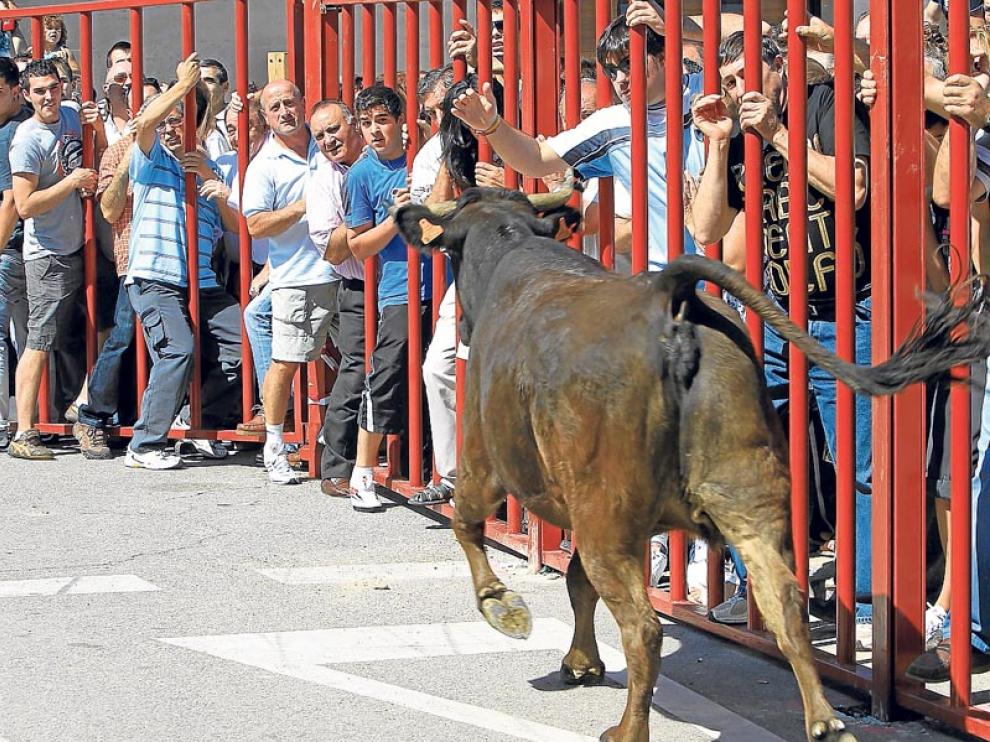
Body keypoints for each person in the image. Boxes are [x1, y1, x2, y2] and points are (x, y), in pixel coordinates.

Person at [689, 31, 874, 635]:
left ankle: (866, 609)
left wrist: (776, 133)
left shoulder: (822, 104)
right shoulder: (741, 134)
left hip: (850, 314)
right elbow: (707, 229)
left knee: (860, 468)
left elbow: (856, 188)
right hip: (775, 319)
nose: (739, 86)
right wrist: (720, 147)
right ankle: (766, 588)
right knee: (755, 459)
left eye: (747, 71)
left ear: (779, 67)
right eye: (729, 76)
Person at [450, 2, 705, 271]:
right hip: (664, 280)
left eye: (628, 64)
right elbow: (536, 160)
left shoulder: (707, 87)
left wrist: (675, 26)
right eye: (611, 71)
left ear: (664, 56)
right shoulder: (612, 123)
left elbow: (751, 33)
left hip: (728, 276)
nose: (620, 79)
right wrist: (492, 125)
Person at [123, 53, 242, 470]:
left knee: (244, 341)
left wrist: (211, 178)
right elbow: (146, 124)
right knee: (178, 349)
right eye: (170, 118)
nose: (174, 126)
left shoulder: (207, 167)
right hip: (157, 277)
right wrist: (181, 86)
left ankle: (199, 424)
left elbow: (236, 228)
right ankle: (144, 444)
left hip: (202, 281)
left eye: (183, 119)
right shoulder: (151, 157)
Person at [337, 84, 432, 511]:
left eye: (382, 121)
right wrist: (396, 218)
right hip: (397, 291)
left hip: (445, 285)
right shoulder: (361, 174)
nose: (374, 131)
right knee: (387, 376)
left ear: (400, 122)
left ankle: (435, 473)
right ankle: (362, 472)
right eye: (366, 123)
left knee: (440, 382)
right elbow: (357, 247)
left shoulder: (424, 157)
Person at [242, 80, 336, 485]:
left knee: (356, 362)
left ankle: (346, 448)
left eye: (289, 102)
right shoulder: (264, 164)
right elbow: (255, 224)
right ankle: (275, 445)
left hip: (346, 271)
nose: (284, 111)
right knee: (286, 362)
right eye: (274, 106)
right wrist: (304, 205)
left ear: (303, 103)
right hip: (298, 279)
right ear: (265, 116)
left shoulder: (326, 143)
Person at [7, 59, 99, 460]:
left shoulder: (71, 115)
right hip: (46, 253)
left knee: (95, 330)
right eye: (40, 90)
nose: (49, 96)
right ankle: (25, 432)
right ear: (26, 95)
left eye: (54, 87)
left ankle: (79, 406)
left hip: (80, 244)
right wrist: (71, 182)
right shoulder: (27, 139)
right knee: (40, 340)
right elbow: (25, 205)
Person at [306, 99, 370, 497]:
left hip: (405, 282)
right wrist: (365, 208)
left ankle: (414, 461)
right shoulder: (322, 182)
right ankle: (336, 466)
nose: (329, 140)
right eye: (320, 136)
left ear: (354, 125)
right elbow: (332, 250)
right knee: (356, 372)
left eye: (334, 129)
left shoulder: (388, 159)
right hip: (359, 288)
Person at [0, 55, 31, 450]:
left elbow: (10, 200)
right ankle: (37, 418)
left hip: (11, 247)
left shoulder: (12, 132)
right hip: (33, 247)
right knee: (33, 339)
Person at [200, 58, 231, 160]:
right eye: (198, 82)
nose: (202, 87)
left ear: (225, 86)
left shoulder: (237, 117)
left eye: (209, 81)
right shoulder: (187, 121)